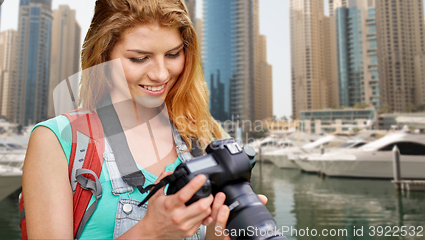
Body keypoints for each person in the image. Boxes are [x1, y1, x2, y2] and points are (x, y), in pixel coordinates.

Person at [22, 0, 267, 239]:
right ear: (104, 55)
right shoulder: (57, 140)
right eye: (139, 58)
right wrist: (151, 232)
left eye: (173, 54)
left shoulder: (203, 136)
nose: (160, 74)